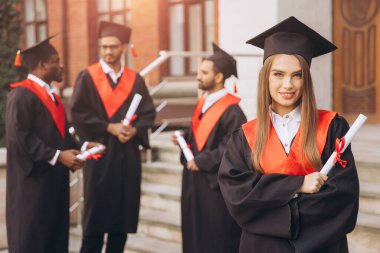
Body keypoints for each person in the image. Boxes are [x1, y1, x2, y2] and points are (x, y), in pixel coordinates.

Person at [218, 16, 359, 253]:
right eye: (279, 74)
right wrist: (298, 185)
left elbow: (342, 197)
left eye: (297, 75)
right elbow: (238, 197)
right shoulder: (244, 136)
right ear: (266, 77)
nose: (288, 84)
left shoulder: (333, 127)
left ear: (306, 80)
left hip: (319, 247)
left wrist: (271, 205)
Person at [6, 36, 102, 253]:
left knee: (54, 240)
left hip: (54, 186)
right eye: (56, 61)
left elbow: (61, 138)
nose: (62, 65)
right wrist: (59, 156)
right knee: (33, 241)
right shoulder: (21, 94)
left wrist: (84, 147)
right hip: (33, 188)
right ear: (42, 66)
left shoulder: (52, 96)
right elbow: (20, 139)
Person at [71, 21, 156, 253]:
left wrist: (135, 130)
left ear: (124, 47)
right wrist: (109, 127)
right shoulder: (87, 77)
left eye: (114, 46)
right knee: (94, 225)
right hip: (101, 157)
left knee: (121, 224)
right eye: (104, 46)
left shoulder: (135, 79)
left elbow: (149, 112)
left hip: (127, 159)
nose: (109, 51)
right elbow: (77, 114)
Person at [172, 43, 246, 253]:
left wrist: (202, 160)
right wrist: (183, 139)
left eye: (204, 72)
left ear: (219, 77)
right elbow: (197, 136)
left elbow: (232, 148)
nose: (198, 76)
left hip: (215, 188)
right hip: (194, 183)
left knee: (215, 237)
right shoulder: (203, 103)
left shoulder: (233, 111)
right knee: (194, 233)